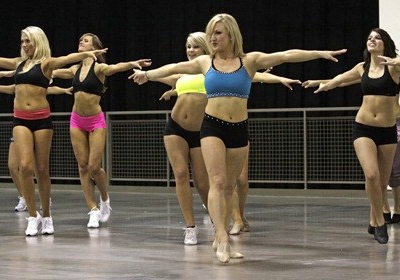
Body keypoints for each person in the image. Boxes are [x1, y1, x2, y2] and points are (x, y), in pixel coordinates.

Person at [129, 13, 346, 262]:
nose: (213, 37)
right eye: (211, 33)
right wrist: (149, 75)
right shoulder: (204, 62)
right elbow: (174, 68)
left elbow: (286, 55)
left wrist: (319, 53)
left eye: (218, 32)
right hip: (212, 127)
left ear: (231, 34)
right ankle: (221, 238)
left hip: (238, 129)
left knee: (230, 186)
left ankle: (225, 239)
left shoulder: (249, 61)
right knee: (218, 182)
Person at [154, 32, 300, 245]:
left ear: (205, 48)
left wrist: (278, 78)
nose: (190, 51)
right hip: (176, 127)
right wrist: (159, 82)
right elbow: (169, 73)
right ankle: (190, 227)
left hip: (204, 130)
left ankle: (219, 222)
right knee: (181, 174)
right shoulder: (184, 74)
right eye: (188, 47)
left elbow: (256, 76)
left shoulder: (213, 69)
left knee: (207, 184)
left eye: (195, 47)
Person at [310, 28, 400, 244]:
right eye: (369, 38)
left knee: (381, 182)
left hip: (388, 130)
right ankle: (379, 222)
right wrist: (324, 86)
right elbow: (340, 78)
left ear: (385, 44)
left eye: (377, 38)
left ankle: (373, 220)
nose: (372, 40)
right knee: (371, 175)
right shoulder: (362, 68)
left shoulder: (395, 67)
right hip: (363, 127)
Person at [0, 26, 107, 236]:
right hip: (20, 120)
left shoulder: (46, 64)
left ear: (38, 42)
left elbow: (66, 58)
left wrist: (87, 54)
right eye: (22, 41)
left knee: (42, 170)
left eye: (28, 41)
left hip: (41, 120)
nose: (25, 45)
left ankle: (46, 215)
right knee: (25, 167)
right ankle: (33, 216)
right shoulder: (18, 63)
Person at [303, 73, 400, 227]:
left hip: (395, 121)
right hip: (372, 125)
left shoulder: (396, 71)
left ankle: (397, 207)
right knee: (375, 171)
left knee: (395, 169)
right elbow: (343, 80)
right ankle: (384, 207)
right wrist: (319, 81)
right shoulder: (369, 72)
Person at [52, 33, 151, 228]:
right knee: (82, 166)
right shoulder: (75, 69)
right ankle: (93, 210)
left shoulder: (99, 69)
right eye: (79, 39)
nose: (81, 41)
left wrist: (133, 63)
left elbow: (116, 67)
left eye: (86, 40)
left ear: (95, 47)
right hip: (76, 121)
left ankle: (105, 200)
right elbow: (53, 72)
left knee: (94, 167)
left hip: (95, 121)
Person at [0, 80, 72, 212]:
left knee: (38, 167)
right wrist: (5, 74)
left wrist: (64, 90)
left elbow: (51, 89)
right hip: (20, 124)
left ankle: (44, 198)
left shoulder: (37, 83)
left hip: (38, 123)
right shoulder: (16, 85)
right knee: (13, 165)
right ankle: (23, 196)